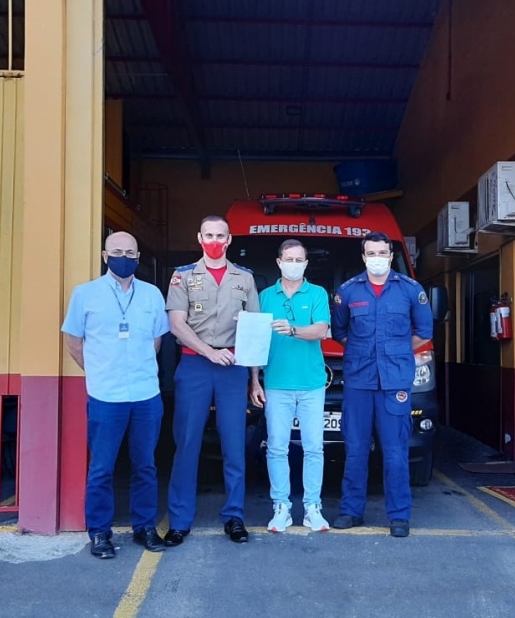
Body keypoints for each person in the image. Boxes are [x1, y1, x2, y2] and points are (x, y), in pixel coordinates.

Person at [61, 232, 170, 559]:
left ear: (138, 256)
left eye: (130, 252)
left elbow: (156, 341)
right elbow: (74, 343)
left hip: (145, 394)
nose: (125, 257)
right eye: (117, 251)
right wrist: (99, 372)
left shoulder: (151, 294)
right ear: (105, 256)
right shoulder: (85, 294)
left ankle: (144, 527)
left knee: (145, 465)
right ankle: (99, 532)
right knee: (102, 468)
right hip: (106, 396)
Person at [330, 231, 433, 538]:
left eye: (382, 253)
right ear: (364, 257)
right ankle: (351, 510)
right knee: (355, 449)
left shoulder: (410, 290)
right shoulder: (348, 292)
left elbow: (424, 332)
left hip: (394, 382)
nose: (377, 258)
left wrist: (397, 352)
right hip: (359, 381)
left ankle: (399, 515)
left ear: (391, 256)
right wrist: (365, 353)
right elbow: (340, 332)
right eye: (371, 253)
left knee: (396, 452)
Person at [164, 215, 259, 546]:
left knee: (234, 445)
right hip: (195, 365)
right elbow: (177, 324)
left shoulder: (245, 278)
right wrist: (209, 352)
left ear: (229, 240)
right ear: (199, 238)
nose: (214, 241)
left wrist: (254, 380)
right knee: (187, 443)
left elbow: (253, 332)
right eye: (209, 235)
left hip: (233, 367)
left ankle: (234, 517)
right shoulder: (183, 276)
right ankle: (179, 521)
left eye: (220, 235)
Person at [249, 240, 331, 533]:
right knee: (276, 447)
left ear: (306, 264)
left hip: (312, 384)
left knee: (314, 448)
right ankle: (281, 507)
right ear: (279, 262)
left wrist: (293, 330)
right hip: (276, 383)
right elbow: (255, 341)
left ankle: (312, 507)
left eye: (299, 260)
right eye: (289, 259)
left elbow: (321, 330)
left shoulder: (318, 293)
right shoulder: (264, 296)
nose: (294, 264)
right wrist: (255, 380)